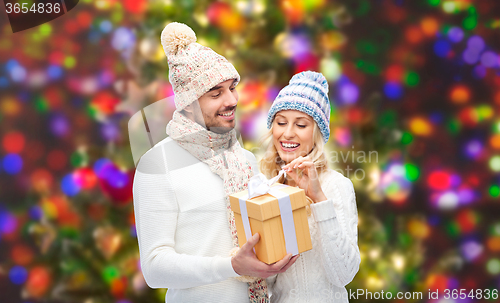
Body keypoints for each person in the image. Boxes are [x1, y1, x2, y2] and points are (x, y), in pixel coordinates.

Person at [131, 22, 297, 303]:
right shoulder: (157, 164)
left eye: (232, 87)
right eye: (215, 93)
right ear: (187, 102)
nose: (232, 100)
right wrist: (230, 267)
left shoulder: (243, 159)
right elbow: (154, 268)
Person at [259, 71, 361, 302]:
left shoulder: (336, 186)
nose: (287, 133)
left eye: (301, 124)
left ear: (317, 133)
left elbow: (344, 274)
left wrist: (318, 199)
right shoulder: (267, 188)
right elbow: (266, 283)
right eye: (281, 122)